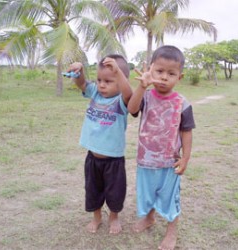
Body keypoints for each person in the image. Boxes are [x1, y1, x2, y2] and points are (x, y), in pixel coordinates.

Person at [128, 45, 195, 250]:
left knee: (169, 198)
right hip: (145, 160)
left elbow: (186, 132)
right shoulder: (146, 97)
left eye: (171, 73)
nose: (164, 77)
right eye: (159, 71)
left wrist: (185, 159)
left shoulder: (182, 103)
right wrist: (142, 87)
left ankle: (171, 231)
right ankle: (149, 218)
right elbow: (132, 109)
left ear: (179, 77)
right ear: (150, 69)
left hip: (169, 162)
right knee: (147, 194)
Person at [67, 54, 132, 234]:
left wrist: (118, 72)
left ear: (121, 80)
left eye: (108, 81)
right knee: (92, 189)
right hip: (93, 157)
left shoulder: (121, 100)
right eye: (99, 80)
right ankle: (96, 217)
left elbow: (129, 94)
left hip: (114, 160)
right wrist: (78, 70)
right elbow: (81, 84)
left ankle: (114, 217)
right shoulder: (95, 92)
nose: (102, 84)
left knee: (115, 192)